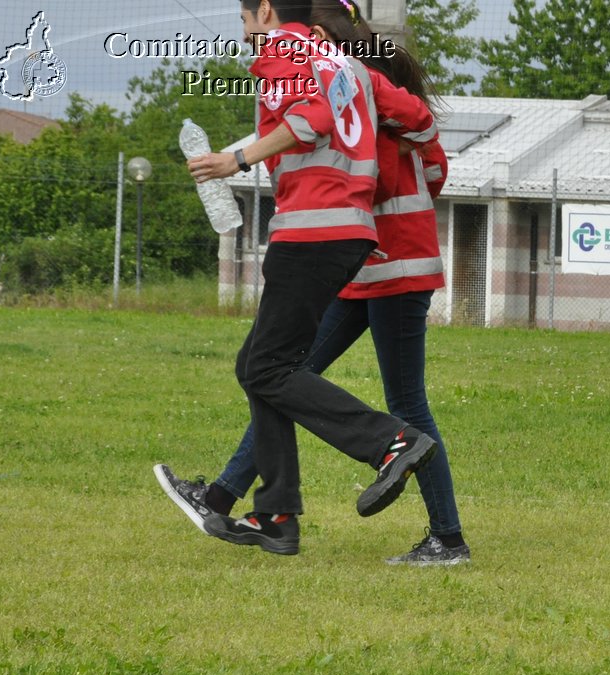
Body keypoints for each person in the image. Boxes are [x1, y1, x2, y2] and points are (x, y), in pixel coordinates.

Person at [158, 0, 467, 566]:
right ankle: (242, 502)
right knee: (274, 373)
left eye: (247, 21)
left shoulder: (323, 69)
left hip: (371, 258)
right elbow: (431, 149)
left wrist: (241, 158)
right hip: (362, 259)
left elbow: (312, 124)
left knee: (391, 402)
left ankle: (444, 533)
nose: (248, 34)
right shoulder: (365, 79)